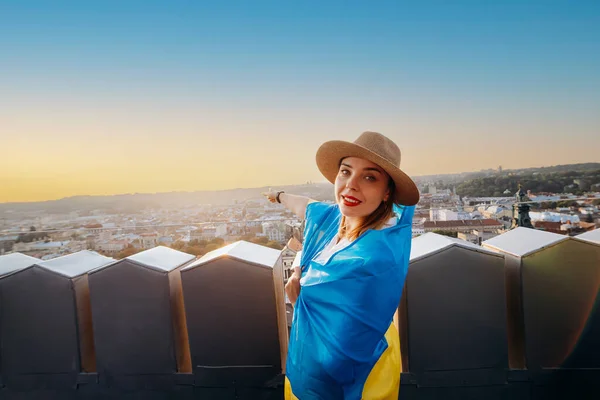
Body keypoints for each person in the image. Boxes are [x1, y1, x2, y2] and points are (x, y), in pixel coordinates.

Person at [264, 131, 419, 400]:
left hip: (358, 366)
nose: (351, 185)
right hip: (329, 351)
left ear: (387, 193)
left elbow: (323, 286)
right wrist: (279, 196)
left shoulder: (373, 257)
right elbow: (309, 207)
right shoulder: (342, 219)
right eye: (345, 172)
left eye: (369, 177)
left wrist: (299, 281)